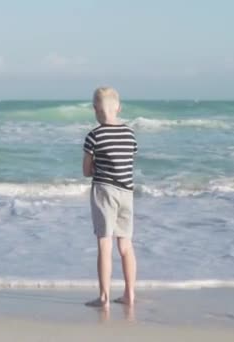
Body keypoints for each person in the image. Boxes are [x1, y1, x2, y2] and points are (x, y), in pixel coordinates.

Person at [82, 87, 138, 308]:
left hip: (104, 191)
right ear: (119, 108)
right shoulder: (130, 134)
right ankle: (129, 294)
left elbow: (87, 171)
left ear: (95, 110)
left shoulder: (94, 136)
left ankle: (104, 297)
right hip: (127, 192)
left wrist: (96, 165)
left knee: (104, 244)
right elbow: (128, 161)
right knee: (126, 245)